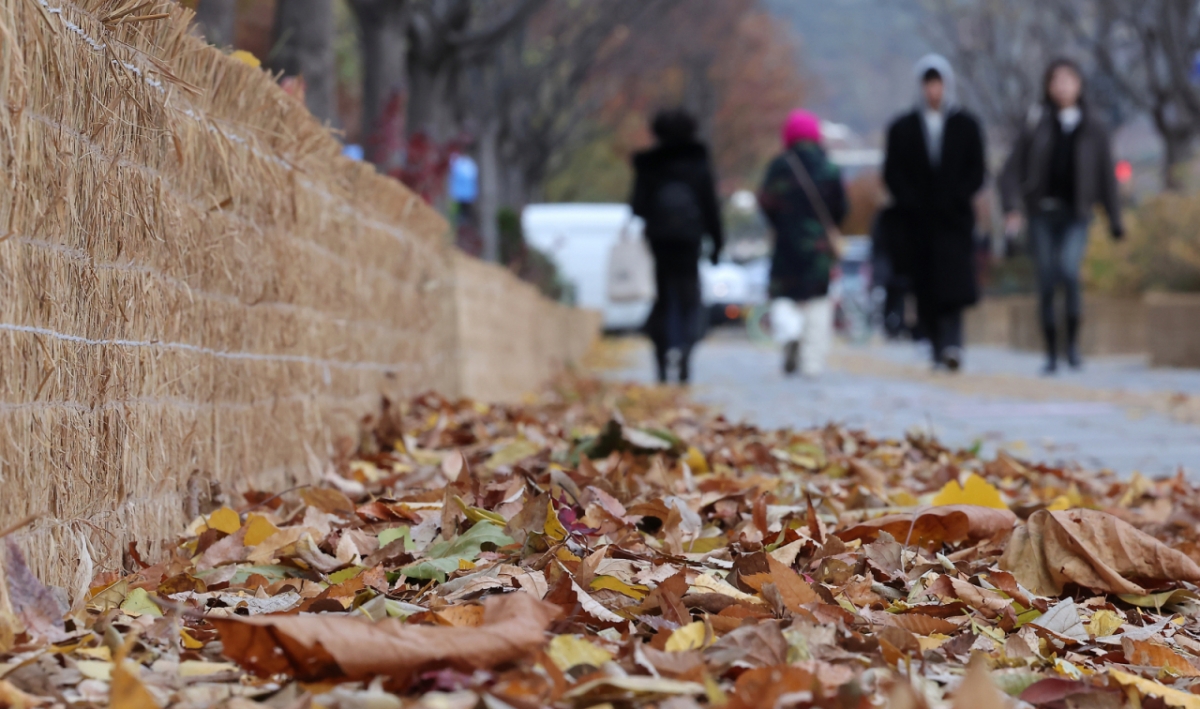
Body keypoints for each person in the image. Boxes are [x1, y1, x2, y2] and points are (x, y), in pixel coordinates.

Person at [1001, 58, 1124, 374]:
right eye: (1056, 80)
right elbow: (1010, 170)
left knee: (1069, 271)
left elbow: (1106, 177)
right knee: (1046, 278)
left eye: (1069, 80)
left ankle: (1072, 345)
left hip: (1076, 214)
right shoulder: (1036, 121)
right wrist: (1012, 208)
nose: (1063, 86)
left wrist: (1115, 219)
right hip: (1042, 213)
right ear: (1048, 85)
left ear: (1079, 84)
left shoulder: (1093, 126)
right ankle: (1051, 352)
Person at [883, 54, 986, 372]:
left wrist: (955, 196)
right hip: (917, 222)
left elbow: (977, 171)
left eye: (938, 84)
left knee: (953, 284)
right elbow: (893, 173)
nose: (933, 91)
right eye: (928, 84)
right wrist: (912, 200)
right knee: (924, 283)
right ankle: (934, 342)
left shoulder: (966, 126)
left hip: (953, 220)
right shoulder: (903, 128)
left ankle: (952, 342)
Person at [631, 109, 724, 384]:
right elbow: (711, 208)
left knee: (662, 297)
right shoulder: (698, 163)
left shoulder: (649, 164)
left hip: (659, 240)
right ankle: (685, 350)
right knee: (689, 299)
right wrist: (717, 243)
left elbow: (637, 206)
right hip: (689, 240)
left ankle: (661, 360)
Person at [758, 110, 847, 376]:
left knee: (783, 297)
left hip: (785, 245)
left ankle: (789, 335)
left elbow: (765, 201)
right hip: (818, 247)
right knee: (818, 301)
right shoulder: (828, 166)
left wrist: (780, 223)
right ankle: (812, 362)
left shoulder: (779, 166)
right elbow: (841, 207)